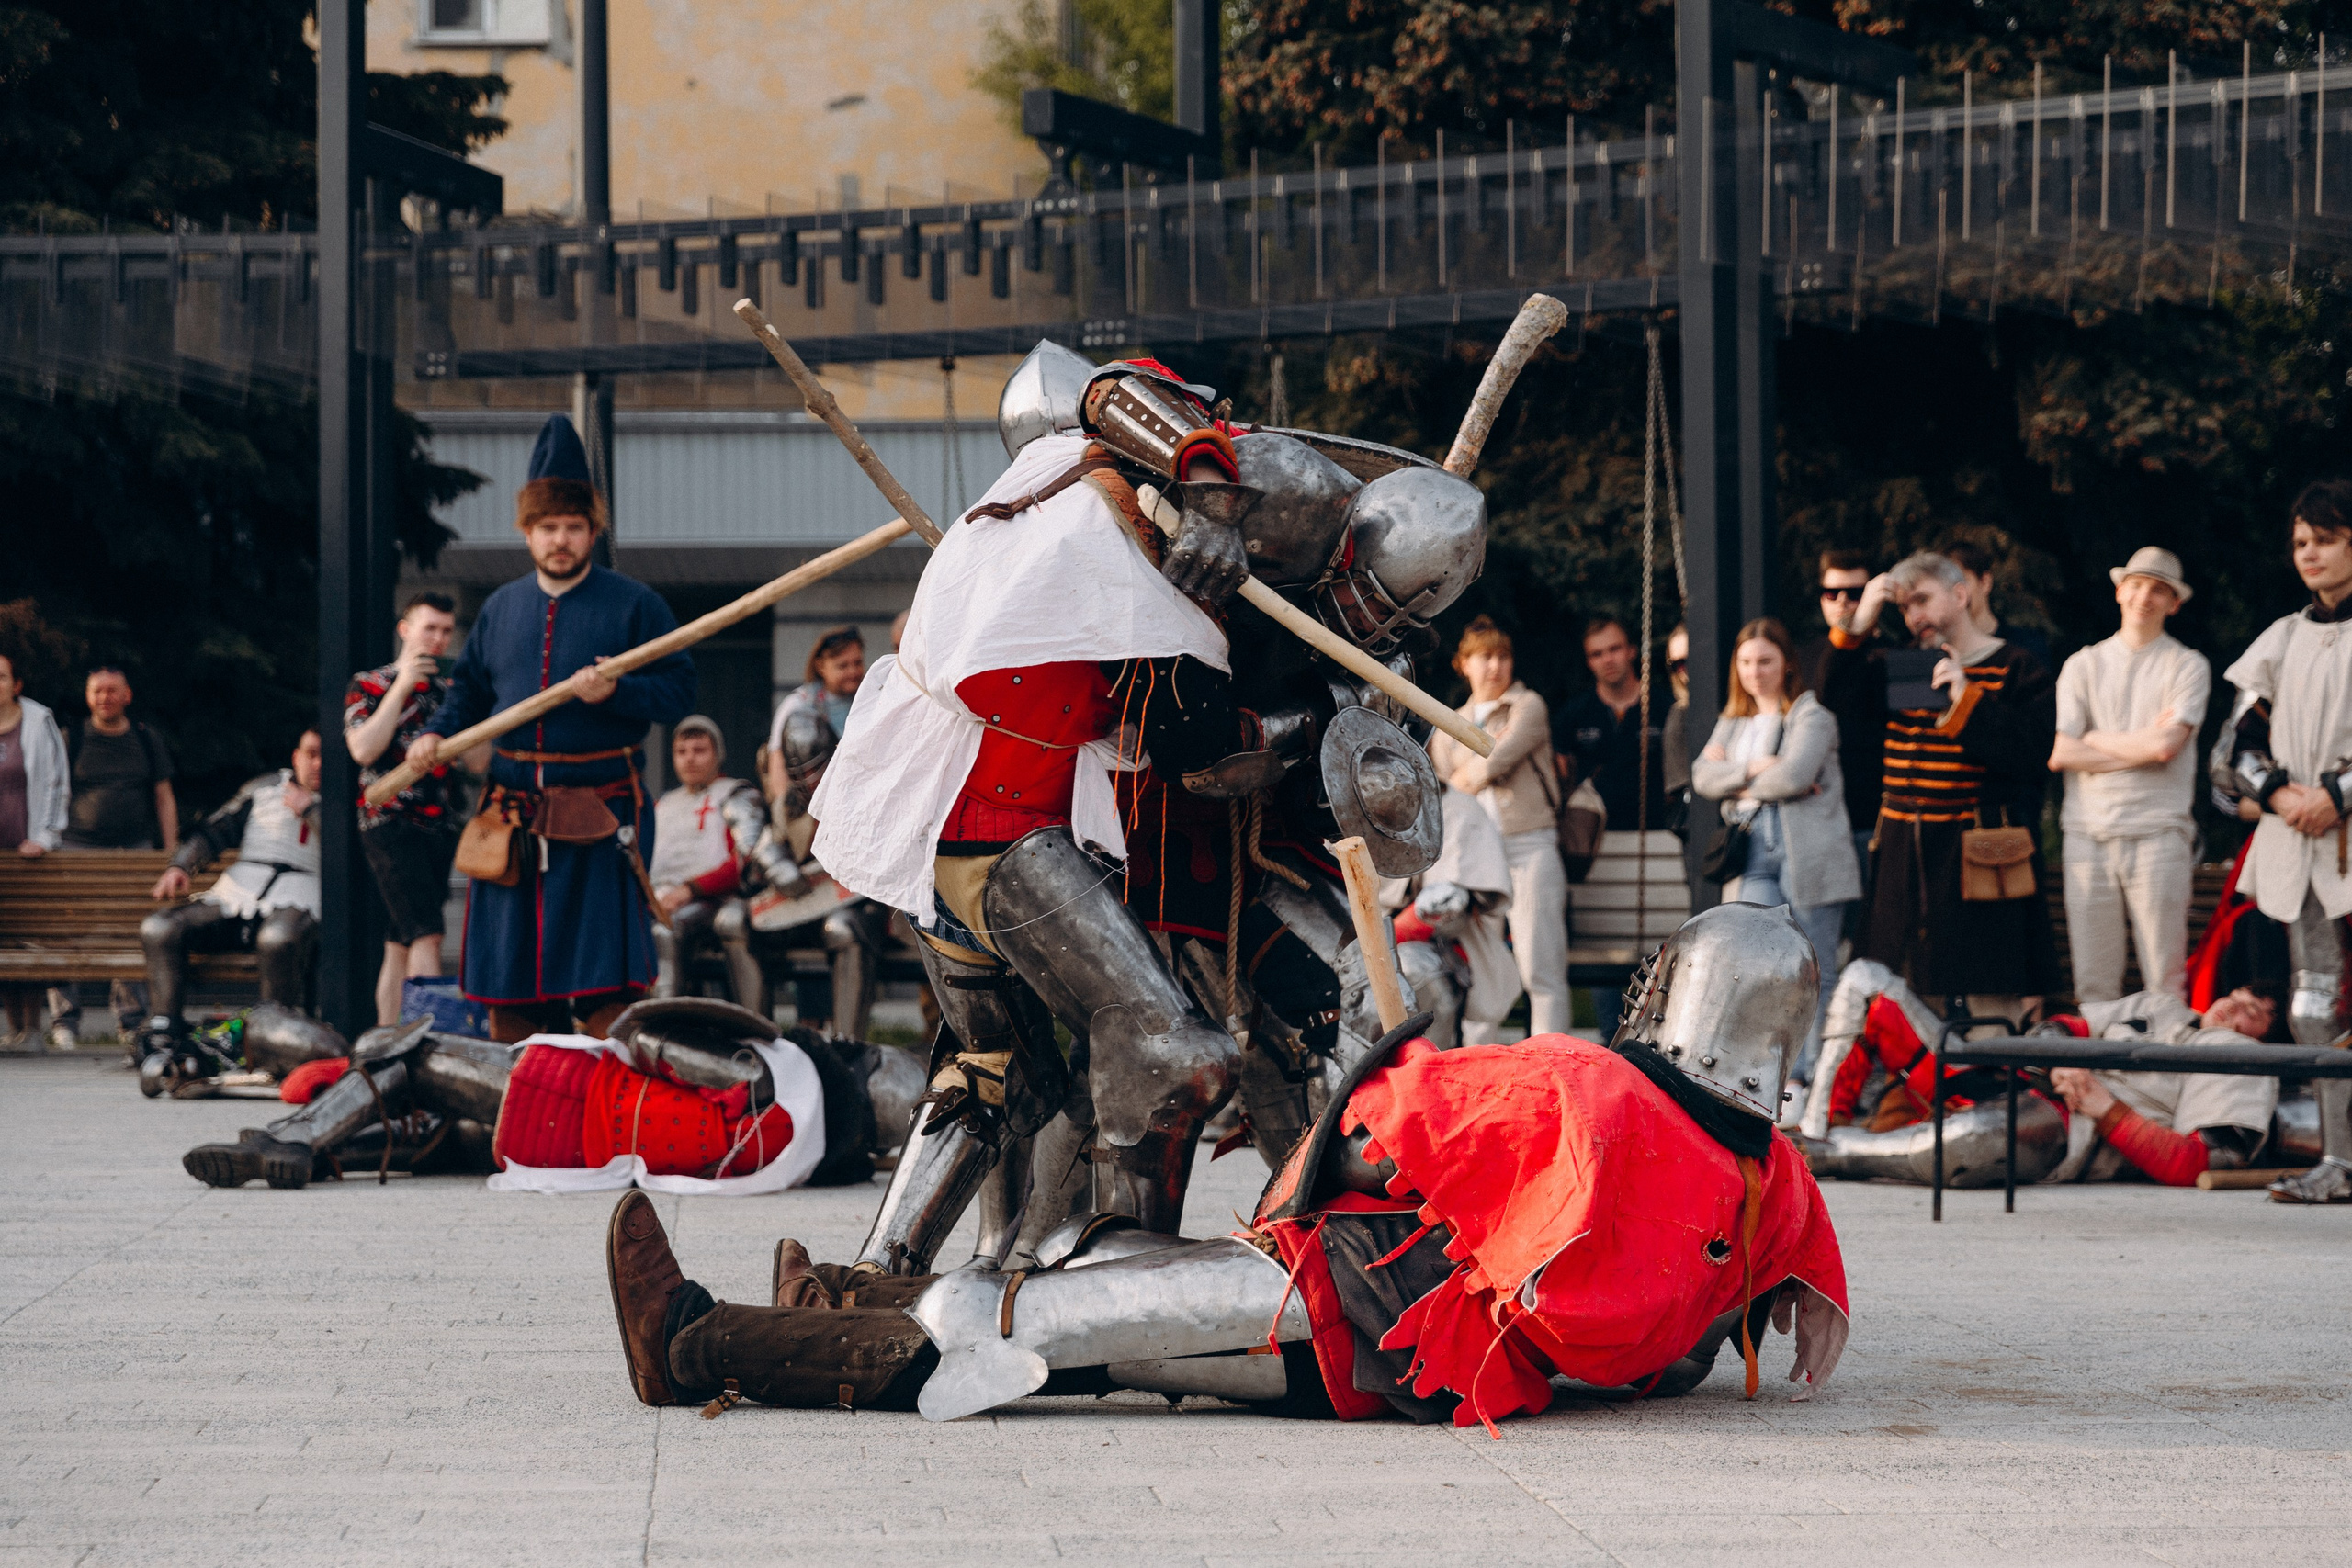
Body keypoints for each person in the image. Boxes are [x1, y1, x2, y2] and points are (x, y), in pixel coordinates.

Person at [600, 905, 1850, 1426]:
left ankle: (700, 1342)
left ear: (1677, 991)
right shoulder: (1769, 1178)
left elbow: (1370, 1143)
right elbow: (1687, 1343)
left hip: (1355, 1301)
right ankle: (823, 1302)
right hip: (1403, 1367)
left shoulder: (1593, 1083)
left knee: (997, 1317)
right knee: (1070, 1324)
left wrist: (1365, 1077)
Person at [812, 343, 1484, 1278]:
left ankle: (1289, 1264)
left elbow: (1238, 752)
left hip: (1211, 845)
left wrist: (1350, 709)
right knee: (1118, 1064)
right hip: (1094, 830)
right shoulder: (1209, 497)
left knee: (1269, 1048)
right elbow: (1085, 385)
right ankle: (1056, 1276)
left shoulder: (1202, 578)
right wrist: (1209, 498)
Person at [403, 415, 695, 1044]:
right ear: (527, 533)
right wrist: (436, 736)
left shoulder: (635, 604)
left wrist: (618, 689)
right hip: (510, 812)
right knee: (510, 978)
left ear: (592, 531)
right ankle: (519, 1099)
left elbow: (678, 691)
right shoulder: (501, 608)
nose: (559, 540)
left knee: (604, 982)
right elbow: (470, 693)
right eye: (546, 528)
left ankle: (611, 1099)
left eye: (571, 527)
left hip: (600, 806)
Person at [179, 996, 923, 1196]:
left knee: (410, 1048)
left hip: (576, 1100)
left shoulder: (769, 1073)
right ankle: (353, 1149)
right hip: (587, 1155)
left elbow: (645, 1041)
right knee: (451, 1135)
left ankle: (300, 1139)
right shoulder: (813, 1151)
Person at [1799, 958, 2283, 1189]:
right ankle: (1816, 1130)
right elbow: (2066, 1023)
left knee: (1982, 1133)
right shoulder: (2162, 1006)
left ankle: (1830, 1153)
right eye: (2236, 997)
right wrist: (2057, 1053)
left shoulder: (2244, 1058)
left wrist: (2105, 1107)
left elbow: (2194, 1164)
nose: (2236, 1010)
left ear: (2265, 1037)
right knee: (1866, 981)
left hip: (2067, 1125)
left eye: (2253, 1014)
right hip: (2008, 1071)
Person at [1836, 552, 2059, 1027]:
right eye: (1904, 607)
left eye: (1922, 600)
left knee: (1987, 1009)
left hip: (1977, 858)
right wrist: (1860, 622)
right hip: (1903, 857)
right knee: (1903, 1007)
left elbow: (2027, 757)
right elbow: (1835, 695)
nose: (1914, 616)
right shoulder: (1905, 667)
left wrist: (1966, 699)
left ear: (1960, 595)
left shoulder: (2017, 666)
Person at [2211, 478, 2352, 1204]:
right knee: (2313, 1004)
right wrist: (2284, 793)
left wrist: (2340, 794)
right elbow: (2232, 750)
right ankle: (2341, 1160)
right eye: (2301, 542)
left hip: (2343, 829)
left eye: (2325, 539)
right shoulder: (2283, 637)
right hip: (2302, 841)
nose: (2310, 554)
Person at [1690, 617, 1860, 1083]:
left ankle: (1813, 1077)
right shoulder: (1733, 721)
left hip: (1809, 853)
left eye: (1765, 660)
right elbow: (1702, 778)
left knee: (1814, 968)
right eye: (1745, 662)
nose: (1754, 671)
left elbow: (1794, 776)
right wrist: (1756, 768)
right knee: (1758, 964)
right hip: (1753, 850)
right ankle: (1764, 1076)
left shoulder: (1813, 717)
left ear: (1787, 664)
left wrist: (1743, 779)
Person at [2048, 547, 2210, 1003]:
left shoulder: (2187, 665)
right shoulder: (2083, 664)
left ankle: (2166, 1075)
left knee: (2164, 983)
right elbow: (2060, 752)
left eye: (2159, 589)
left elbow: (2165, 747)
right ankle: (2098, 1076)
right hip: (2087, 832)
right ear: (2120, 590)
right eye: (2137, 584)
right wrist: (2141, 747)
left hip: (2159, 833)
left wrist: (2095, 739)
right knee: (2094, 985)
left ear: (2174, 603)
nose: (2145, 597)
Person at [134, 730, 324, 1054]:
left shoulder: (349, 800)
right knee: (160, 927)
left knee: (278, 939)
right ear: (296, 757)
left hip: (303, 891)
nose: (318, 763)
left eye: (327, 756)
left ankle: (275, 1038)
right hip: (240, 889)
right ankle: (166, 1028)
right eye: (311, 753)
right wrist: (180, 866)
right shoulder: (263, 788)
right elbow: (216, 829)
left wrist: (311, 810)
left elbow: (350, 853)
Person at [1428, 615, 1567, 1036]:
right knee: (1481, 969)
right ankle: (1479, 1066)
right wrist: (1487, 755)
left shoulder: (1528, 706)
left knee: (1539, 966)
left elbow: (1481, 770)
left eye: (1503, 656)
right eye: (1485, 656)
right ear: (1463, 664)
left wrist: (1468, 774)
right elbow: (1443, 794)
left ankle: (1553, 1062)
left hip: (1530, 846)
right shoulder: (1447, 721)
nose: (1496, 666)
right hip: (1476, 855)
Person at [756, 626, 892, 1038]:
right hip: (810, 830)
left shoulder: (874, 697)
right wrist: (796, 826)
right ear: (820, 664)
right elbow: (783, 777)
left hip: (865, 818)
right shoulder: (798, 706)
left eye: (857, 662)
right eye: (842, 664)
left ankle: (848, 1039)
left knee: (845, 926)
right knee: (805, 908)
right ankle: (801, 1029)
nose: (853, 672)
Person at [345, 592, 472, 1028]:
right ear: (405, 630)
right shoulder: (370, 684)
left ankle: (386, 1038)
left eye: (446, 631)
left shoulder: (449, 692)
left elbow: (476, 763)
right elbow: (363, 749)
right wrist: (402, 685)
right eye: (429, 628)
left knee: (399, 941)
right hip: (388, 822)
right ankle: (432, 1040)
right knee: (426, 933)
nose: (438, 639)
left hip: (438, 824)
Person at [51, 665, 178, 1044]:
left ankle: (131, 1020)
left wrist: (170, 852)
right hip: (76, 849)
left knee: (131, 931)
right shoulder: (71, 738)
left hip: (134, 851)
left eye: (112, 690)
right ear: (87, 697)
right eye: (96, 691)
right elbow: (53, 791)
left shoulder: (145, 738)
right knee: (66, 931)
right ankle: (64, 1022)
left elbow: (164, 796)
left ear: (127, 696)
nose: (104, 697)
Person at [650, 716, 804, 1014]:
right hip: (662, 899)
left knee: (669, 931)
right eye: (682, 752)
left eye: (699, 750)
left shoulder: (736, 794)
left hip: (717, 901)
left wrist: (691, 889)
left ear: (716, 754)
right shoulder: (664, 805)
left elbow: (743, 863)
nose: (690, 759)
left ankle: (672, 1025)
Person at [1941, 538, 2055, 833]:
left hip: (2010, 816)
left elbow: (2037, 741)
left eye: (1962, 581)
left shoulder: (2025, 652)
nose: (1957, 594)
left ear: (1985, 582)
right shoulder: (1933, 654)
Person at [1800, 550, 1887, 880]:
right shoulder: (1805, 655)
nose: (1842, 602)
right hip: (1818, 817)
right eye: (1831, 593)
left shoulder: (1894, 652)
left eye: (1855, 593)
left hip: (1874, 817)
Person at [0, 651, 70, 1044]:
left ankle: (33, 1027)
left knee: (27, 938)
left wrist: (45, 837)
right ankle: (14, 1030)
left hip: (28, 851)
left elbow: (57, 785)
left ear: (16, 684)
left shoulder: (38, 721)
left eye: (2, 677)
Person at [1559, 616, 1668, 832]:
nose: (1607, 659)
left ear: (1632, 651)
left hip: (1658, 834)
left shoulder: (1664, 706)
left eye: (1614, 649)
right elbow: (1561, 776)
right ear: (1588, 662)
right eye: (1597, 654)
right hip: (1592, 839)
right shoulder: (1575, 713)